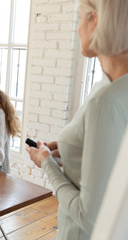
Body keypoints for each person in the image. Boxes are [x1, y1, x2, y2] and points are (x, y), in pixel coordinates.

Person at [26, 0, 128, 239]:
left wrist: (47, 164)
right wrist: (74, 148)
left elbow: (89, 217)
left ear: (95, 20)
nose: (78, 28)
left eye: (80, 18)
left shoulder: (105, 100)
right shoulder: (112, 86)